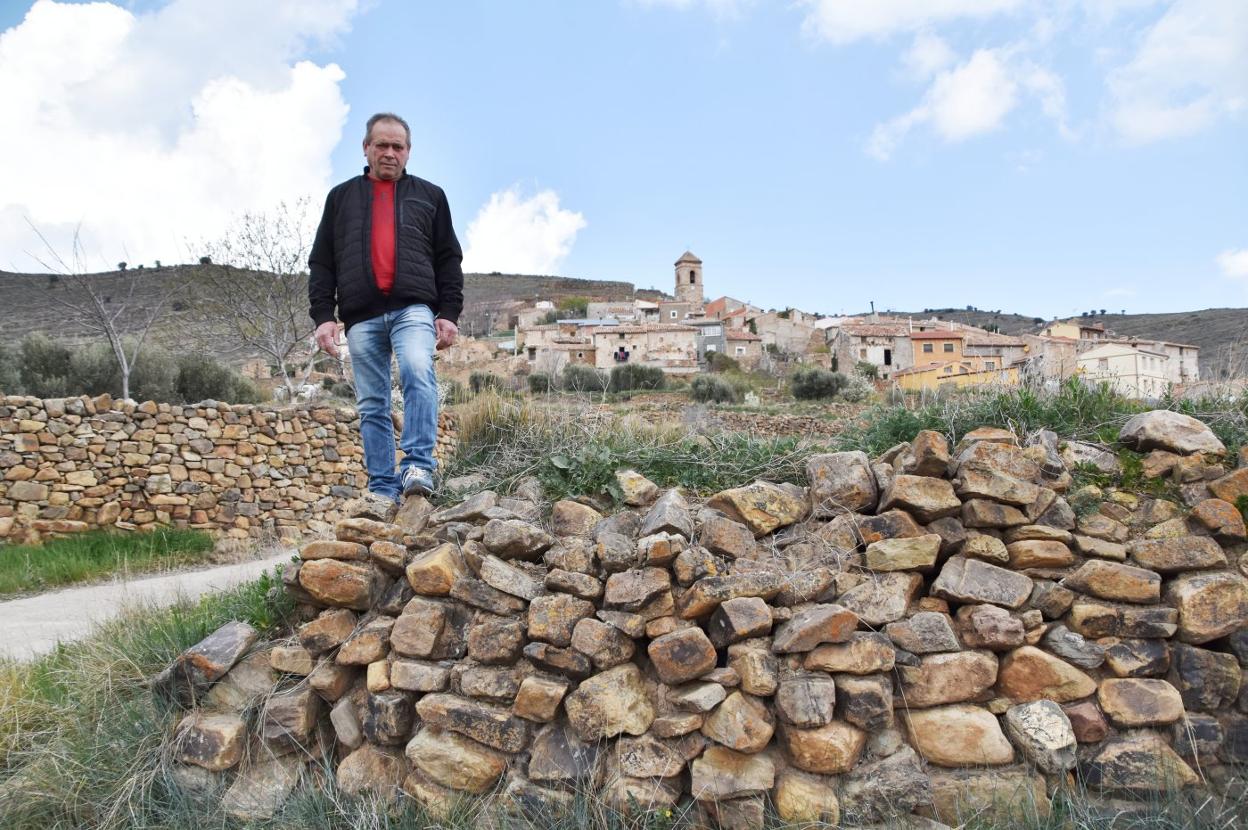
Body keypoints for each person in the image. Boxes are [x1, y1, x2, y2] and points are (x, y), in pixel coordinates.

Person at [308, 112, 463, 503]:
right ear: (366, 148)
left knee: (416, 369)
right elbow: (322, 262)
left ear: (408, 152)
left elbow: (448, 259)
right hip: (360, 315)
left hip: (414, 308)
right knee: (372, 401)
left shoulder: (430, 196)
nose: (389, 153)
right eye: (382, 145)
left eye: (398, 146)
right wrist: (324, 317)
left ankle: (418, 465)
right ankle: (382, 487)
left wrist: (448, 313)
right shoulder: (341, 198)